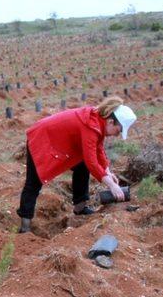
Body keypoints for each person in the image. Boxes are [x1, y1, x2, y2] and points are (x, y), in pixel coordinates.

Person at [16, 96, 137, 233]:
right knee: (34, 182)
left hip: (59, 141)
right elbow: (91, 161)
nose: (117, 135)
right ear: (111, 122)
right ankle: (25, 226)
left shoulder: (98, 120)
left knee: (82, 165)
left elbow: (98, 148)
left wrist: (107, 171)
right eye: (118, 130)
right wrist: (112, 185)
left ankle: (80, 208)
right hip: (42, 138)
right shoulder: (91, 125)